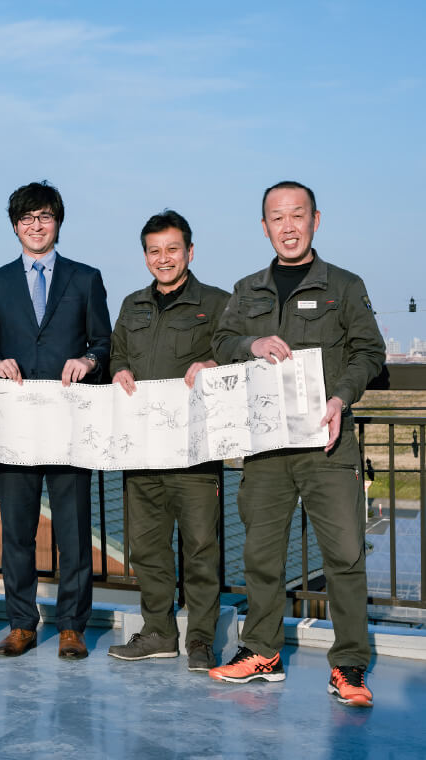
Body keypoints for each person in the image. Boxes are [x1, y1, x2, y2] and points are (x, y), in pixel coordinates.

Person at [208, 181, 384, 708]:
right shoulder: (246, 290)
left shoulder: (344, 286)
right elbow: (219, 344)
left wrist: (341, 397)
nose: (288, 226)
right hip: (264, 447)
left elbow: (369, 352)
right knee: (261, 555)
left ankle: (348, 665)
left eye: (297, 215)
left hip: (327, 445)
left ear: (315, 220)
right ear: (264, 227)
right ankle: (261, 653)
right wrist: (250, 343)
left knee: (345, 555)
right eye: (277, 217)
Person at [0, 180, 111, 659]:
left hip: (69, 424)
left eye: (45, 217)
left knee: (73, 530)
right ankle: (22, 624)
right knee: (17, 531)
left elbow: (102, 342)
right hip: (15, 426)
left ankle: (72, 626)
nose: (36, 226)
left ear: (58, 223)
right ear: (15, 227)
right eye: (27, 219)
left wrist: (90, 362)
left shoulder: (86, 278)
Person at [105, 210, 229, 672]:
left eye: (173, 249)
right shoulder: (131, 305)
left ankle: (200, 639)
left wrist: (216, 363)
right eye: (155, 251)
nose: (164, 258)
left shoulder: (216, 302)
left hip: (194, 453)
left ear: (189, 252)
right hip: (141, 450)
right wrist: (117, 368)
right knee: (148, 548)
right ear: (145, 258)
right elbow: (118, 352)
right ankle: (158, 632)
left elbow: (237, 351)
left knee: (200, 547)